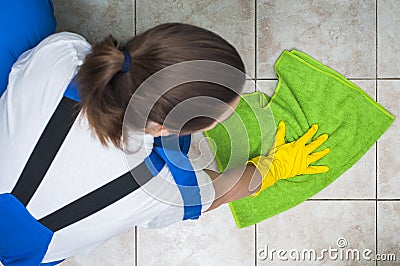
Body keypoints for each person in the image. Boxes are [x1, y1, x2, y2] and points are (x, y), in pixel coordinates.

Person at [0, 3, 330, 266]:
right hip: (26, 253)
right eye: (216, 118)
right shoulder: (159, 189)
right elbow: (220, 192)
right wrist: (277, 167)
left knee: (22, 11)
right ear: (162, 128)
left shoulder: (61, 54)